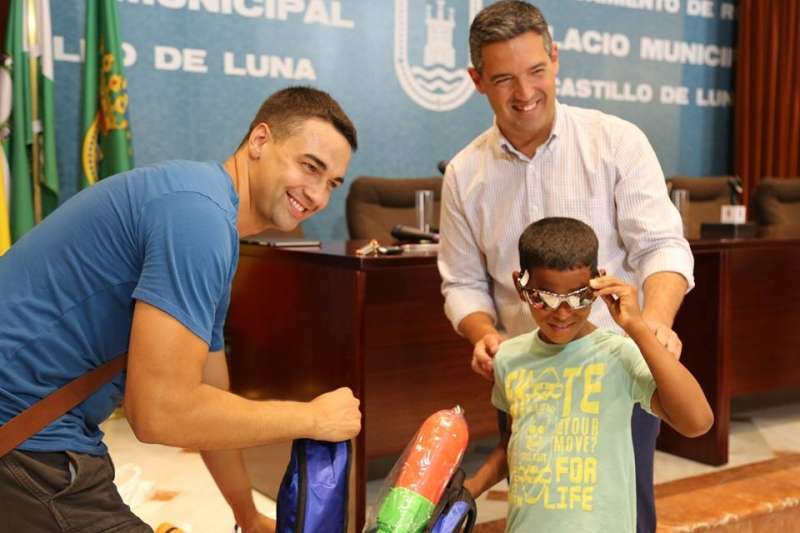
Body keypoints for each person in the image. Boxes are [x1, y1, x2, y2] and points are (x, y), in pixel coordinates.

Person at [0, 86, 361, 532]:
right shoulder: (199, 218)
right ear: (259, 141)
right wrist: (312, 418)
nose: (318, 196)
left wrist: (247, 516)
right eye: (310, 167)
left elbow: (208, 393)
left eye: (332, 183)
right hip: (23, 434)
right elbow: (160, 412)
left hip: (38, 428)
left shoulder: (208, 212)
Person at [437, 2, 695, 530]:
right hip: (527, 376)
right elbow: (462, 282)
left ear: (555, 59)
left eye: (536, 70)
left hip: (618, 376)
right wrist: (483, 334)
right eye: (504, 79)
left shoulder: (616, 142)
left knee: (624, 509)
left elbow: (662, 246)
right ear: (477, 80)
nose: (524, 92)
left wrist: (654, 326)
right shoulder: (465, 173)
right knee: (538, 502)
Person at [464, 217, 712, 532]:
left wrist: (636, 327)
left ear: (598, 285)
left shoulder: (619, 354)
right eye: (545, 298)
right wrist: (471, 488)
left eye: (577, 297)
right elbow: (516, 443)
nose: (562, 313)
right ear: (520, 285)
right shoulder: (510, 358)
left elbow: (697, 422)